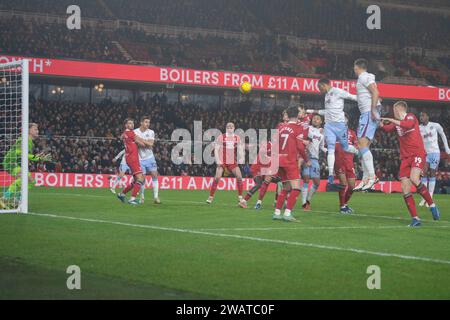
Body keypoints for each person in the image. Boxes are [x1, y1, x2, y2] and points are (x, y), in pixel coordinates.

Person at [380, 101, 440, 227]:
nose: (393, 112)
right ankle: (415, 219)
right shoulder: (396, 124)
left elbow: (407, 125)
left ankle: (432, 205)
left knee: (414, 178)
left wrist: (391, 119)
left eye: (395, 110)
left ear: (400, 108)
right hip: (405, 158)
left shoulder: (411, 117)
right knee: (405, 189)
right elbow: (388, 128)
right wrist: (380, 124)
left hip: (417, 154)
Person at [308, 78, 358, 187]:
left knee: (345, 147)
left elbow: (352, 97)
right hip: (329, 125)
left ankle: (360, 152)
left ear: (324, 85)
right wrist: (311, 111)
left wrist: (367, 101)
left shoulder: (337, 91)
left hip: (340, 125)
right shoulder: (326, 96)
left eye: (319, 87)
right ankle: (330, 174)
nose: (319, 90)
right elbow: (327, 111)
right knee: (330, 148)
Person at [273, 106, 310, 222]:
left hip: (279, 160)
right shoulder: (298, 128)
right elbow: (300, 147)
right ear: (298, 115)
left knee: (286, 187)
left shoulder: (281, 127)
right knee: (296, 188)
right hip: (290, 161)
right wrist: (306, 159)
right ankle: (288, 213)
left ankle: (277, 213)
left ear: (288, 115)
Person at [1, 123, 51, 209]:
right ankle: (4, 198)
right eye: (35, 129)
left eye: (37, 129)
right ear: (28, 130)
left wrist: (39, 158)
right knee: (23, 179)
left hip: (18, 163)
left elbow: (26, 155)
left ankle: (15, 201)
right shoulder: (23, 139)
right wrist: (37, 158)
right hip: (12, 161)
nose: (37, 131)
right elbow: (20, 152)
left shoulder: (30, 142)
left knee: (31, 181)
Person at [353, 58, 382, 191]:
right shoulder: (365, 77)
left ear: (356, 67)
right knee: (363, 147)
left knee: (362, 145)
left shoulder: (364, 77)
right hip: (367, 113)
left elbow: (375, 92)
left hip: (368, 113)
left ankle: (372, 176)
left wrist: (373, 109)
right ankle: (365, 178)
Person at [207, 122, 247, 208]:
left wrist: (241, 157)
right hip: (222, 160)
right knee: (217, 177)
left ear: (234, 128)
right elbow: (216, 149)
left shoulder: (237, 138)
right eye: (228, 127)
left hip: (232, 160)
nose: (230, 128)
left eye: (231, 127)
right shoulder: (221, 137)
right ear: (226, 128)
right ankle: (211, 196)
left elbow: (240, 149)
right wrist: (218, 160)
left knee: (239, 177)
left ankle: (240, 197)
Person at [116, 118, 152, 205]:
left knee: (136, 180)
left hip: (131, 158)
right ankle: (132, 199)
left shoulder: (125, 133)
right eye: (129, 123)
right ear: (126, 125)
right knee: (141, 178)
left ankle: (122, 194)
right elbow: (141, 142)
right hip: (132, 158)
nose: (131, 125)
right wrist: (148, 144)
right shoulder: (130, 133)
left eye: (132, 123)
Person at [419, 112, 450, 206]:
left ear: (427, 117)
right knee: (423, 173)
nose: (421, 117)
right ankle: (424, 198)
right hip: (425, 154)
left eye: (423, 116)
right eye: (420, 116)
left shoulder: (435, 125)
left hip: (435, 153)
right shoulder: (419, 128)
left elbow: (443, 135)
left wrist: (447, 147)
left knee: (432, 173)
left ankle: (430, 198)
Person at [301, 114, 327, 211]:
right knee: (306, 179)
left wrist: (328, 151)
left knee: (317, 182)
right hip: (307, 157)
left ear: (321, 122)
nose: (315, 120)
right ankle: (304, 203)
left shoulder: (321, 134)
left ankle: (308, 200)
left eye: (318, 119)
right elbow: (302, 138)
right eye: (314, 118)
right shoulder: (307, 128)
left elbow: (321, 147)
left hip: (315, 159)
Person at [245, 141, 280, 209]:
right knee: (259, 184)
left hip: (264, 169)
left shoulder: (275, 148)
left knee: (279, 181)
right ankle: (245, 201)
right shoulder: (268, 145)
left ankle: (276, 202)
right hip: (257, 169)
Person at [134, 116, 160, 204]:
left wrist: (140, 140)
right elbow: (141, 144)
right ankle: (142, 197)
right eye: (146, 122)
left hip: (150, 158)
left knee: (154, 175)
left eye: (148, 122)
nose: (148, 124)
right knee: (142, 178)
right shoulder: (135, 132)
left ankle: (156, 197)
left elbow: (150, 144)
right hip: (140, 159)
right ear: (141, 122)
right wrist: (145, 142)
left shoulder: (151, 132)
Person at [335, 114, 358, 213]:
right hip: (339, 161)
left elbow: (357, 147)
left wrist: (355, 149)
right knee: (343, 184)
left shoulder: (352, 133)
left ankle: (345, 204)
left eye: (344, 118)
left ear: (347, 120)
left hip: (349, 162)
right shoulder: (335, 131)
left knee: (352, 187)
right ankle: (342, 206)